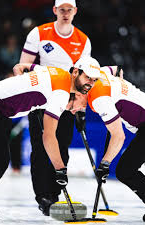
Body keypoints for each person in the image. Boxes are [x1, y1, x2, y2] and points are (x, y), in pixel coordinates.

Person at [0, 56, 103, 221]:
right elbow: (48, 137)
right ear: (76, 72)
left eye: (94, 80)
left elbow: (20, 67)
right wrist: (60, 169)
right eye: (87, 77)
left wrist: (23, 83)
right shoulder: (61, 94)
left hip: (1, 110)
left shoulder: (59, 72)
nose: (90, 82)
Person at [19, 0, 92, 215]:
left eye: (70, 9)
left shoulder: (83, 40)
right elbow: (23, 67)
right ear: (55, 10)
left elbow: (84, 79)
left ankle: (55, 193)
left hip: (67, 103)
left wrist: (81, 109)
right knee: (41, 149)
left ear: (76, 11)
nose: (66, 13)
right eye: (62, 9)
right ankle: (43, 195)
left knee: (62, 148)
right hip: (41, 100)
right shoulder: (38, 34)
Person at [84, 66, 145, 222]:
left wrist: (104, 164)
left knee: (125, 170)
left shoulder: (99, 97)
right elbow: (116, 68)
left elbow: (118, 136)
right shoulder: (99, 74)